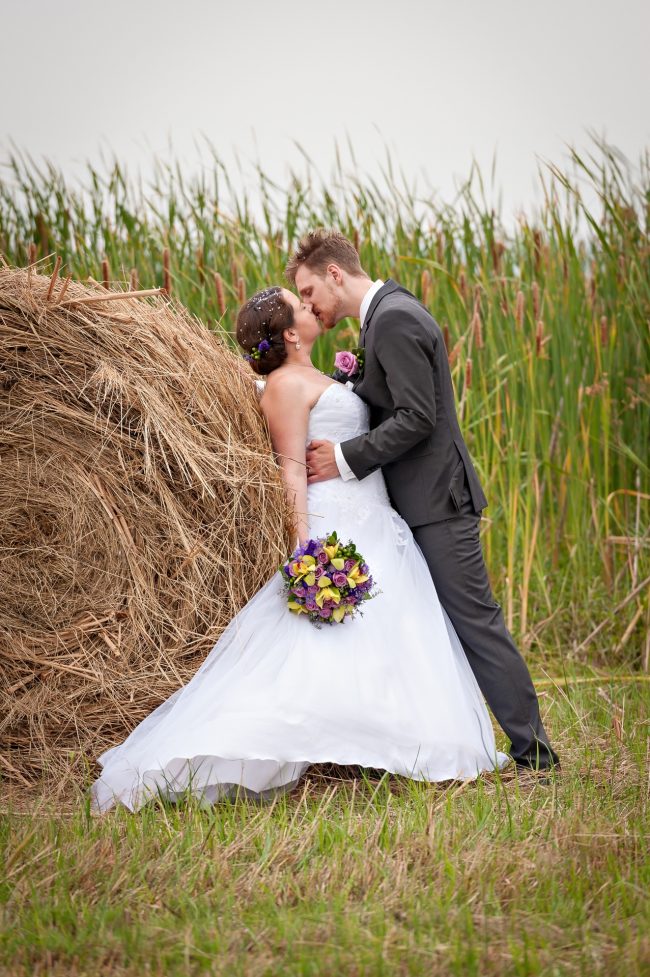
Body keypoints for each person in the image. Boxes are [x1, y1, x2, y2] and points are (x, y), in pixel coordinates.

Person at [90, 286, 510, 814]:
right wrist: (303, 545)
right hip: (334, 518)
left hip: (376, 515)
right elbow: (290, 466)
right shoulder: (285, 386)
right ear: (290, 332)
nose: (313, 308)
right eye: (302, 304)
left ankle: (390, 743)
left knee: (392, 627)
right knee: (317, 643)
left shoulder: (320, 376)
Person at [288, 229, 559, 772]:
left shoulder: (393, 319)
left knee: (475, 622)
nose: (311, 305)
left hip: (437, 501)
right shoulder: (388, 314)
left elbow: (418, 417)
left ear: (334, 274)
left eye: (310, 290)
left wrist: (343, 458)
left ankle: (535, 755)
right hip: (414, 502)